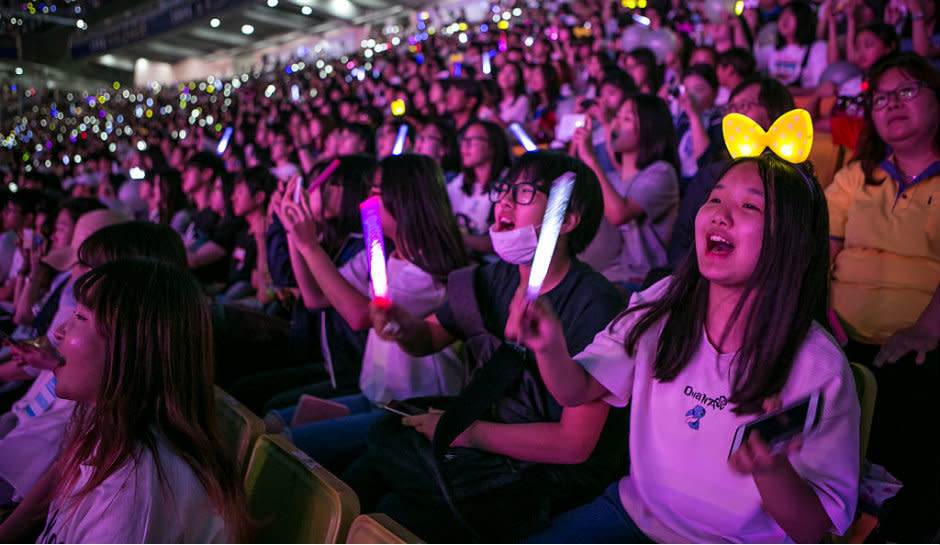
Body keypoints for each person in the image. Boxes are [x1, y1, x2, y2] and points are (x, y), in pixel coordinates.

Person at [517, 153, 860, 543]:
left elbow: (814, 530)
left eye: (749, 205)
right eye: (715, 199)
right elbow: (576, 390)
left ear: (790, 238)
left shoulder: (820, 367)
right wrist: (549, 348)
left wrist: (771, 470)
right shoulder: (662, 303)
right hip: (633, 518)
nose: (719, 215)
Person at [354, 151, 629, 542]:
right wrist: (402, 327)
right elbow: (429, 338)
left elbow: (574, 446)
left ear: (566, 220)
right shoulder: (487, 279)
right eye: (503, 190)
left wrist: (464, 433)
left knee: (391, 516)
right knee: (364, 472)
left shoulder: (596, 304)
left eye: (522, 192)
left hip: (542, 475)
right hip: (483, 444)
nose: (502, 201)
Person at [0, 258, 250, 542]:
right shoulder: (107, 430)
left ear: (132, 346)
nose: (59, 332)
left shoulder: (132, 495)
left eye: (80, 317)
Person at [271, 154, 469, 470]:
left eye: (376, 192)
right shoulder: (382, 255)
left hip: (409, 411)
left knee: (285, 451)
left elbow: (358, 316)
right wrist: (294, 236)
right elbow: (314, 297)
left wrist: (310, 245)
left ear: (405, 199)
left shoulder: (429, 277)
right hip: (375, 395)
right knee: (272, 424)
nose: (367, 201)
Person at [825, 51, 939, 542]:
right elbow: (819, 250)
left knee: (912, 395)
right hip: (838, 327)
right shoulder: (859, 173)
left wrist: (925, 329)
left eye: (907, 91)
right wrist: (814, 312)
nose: (892, 103)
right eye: (881, 97)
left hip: (921, 337)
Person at [573, 94, 680, 288]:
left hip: (640, 280)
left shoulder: (662, 173)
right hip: (607, 275)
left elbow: (619, 214)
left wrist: (590, 158)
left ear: (649, 129)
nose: (616, 123)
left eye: (627, 118)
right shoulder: (612, 178)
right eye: (617, 116)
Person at [448, 120, 510, 254]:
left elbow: (496, 243)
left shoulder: (509, 184)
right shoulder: (459, 182)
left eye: (473, 140)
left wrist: (453, 237)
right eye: (463, 140)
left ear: (492, 146)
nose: (465, 146)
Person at [756, 1, 829, 90]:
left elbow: (822, 89)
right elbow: (746, 65)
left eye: (791, 15)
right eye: (782, 15)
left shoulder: (818, 48)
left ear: (803, 19)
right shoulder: (774, 49)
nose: (784, 19)